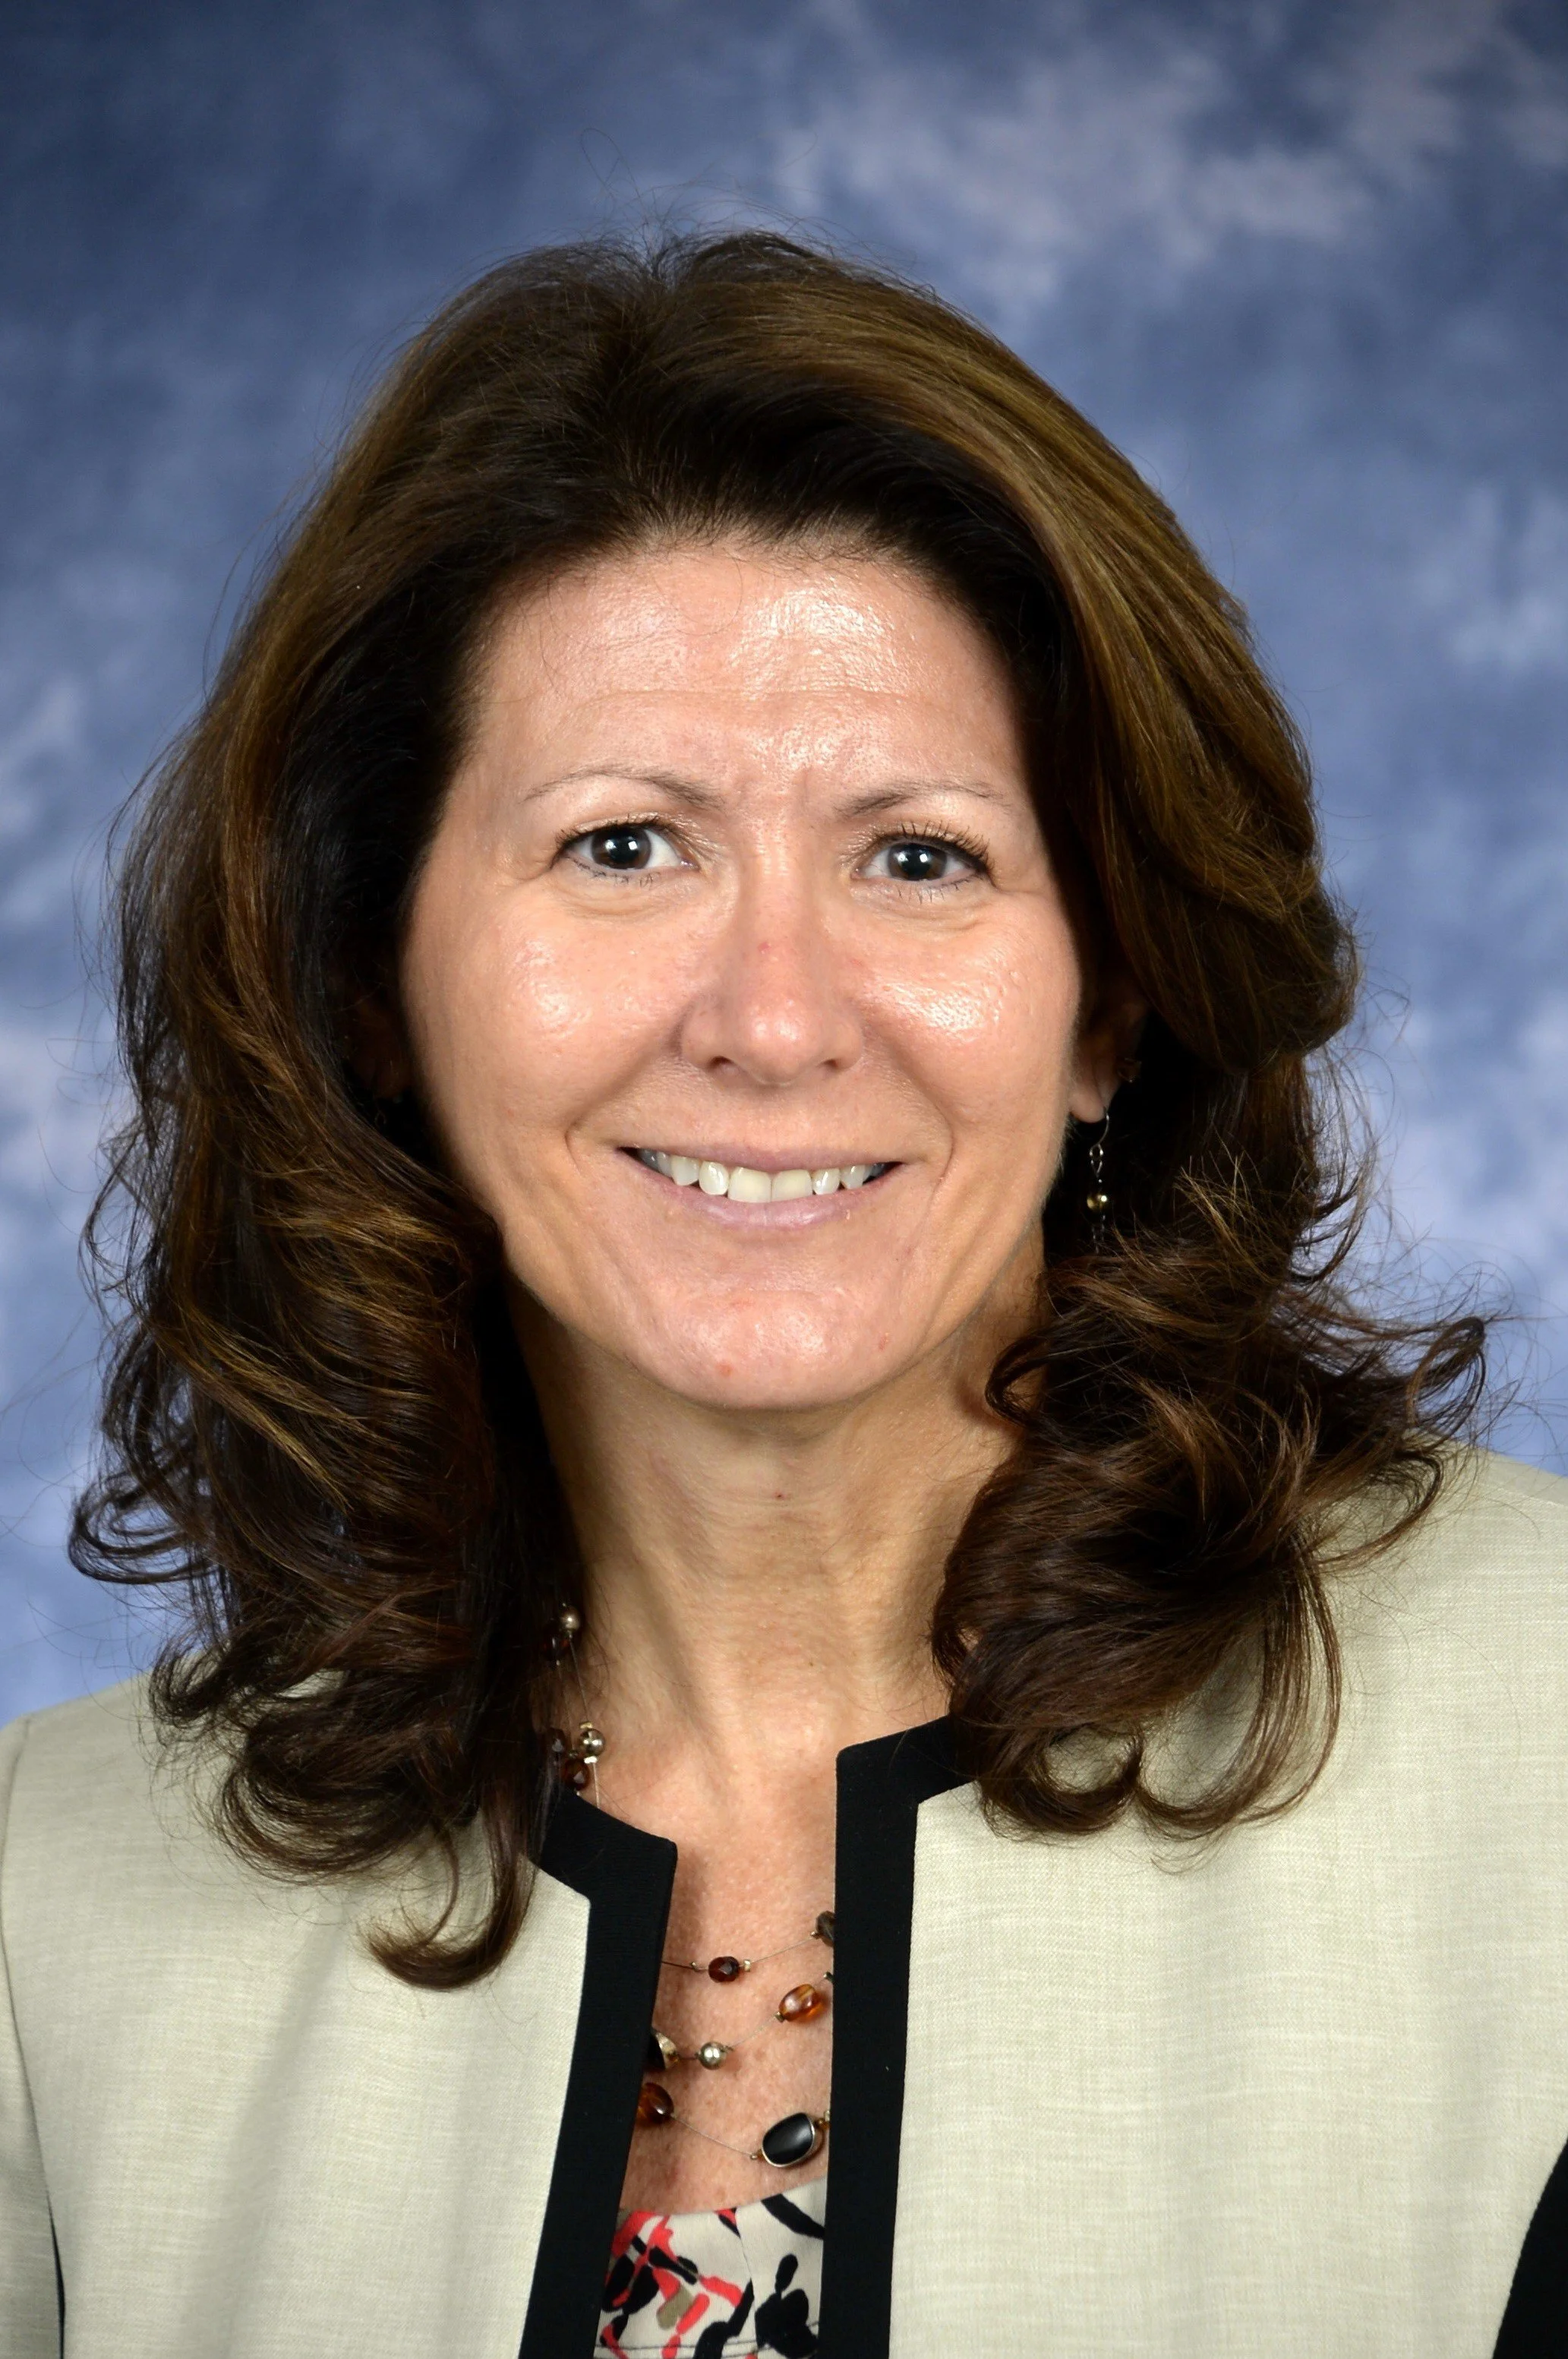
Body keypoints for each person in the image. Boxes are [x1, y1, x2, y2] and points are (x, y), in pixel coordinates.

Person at [1, 230, 1564, 2359]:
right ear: (370, 981)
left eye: (920, 855)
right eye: (625, 846)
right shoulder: (48, 1921)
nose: (774, 1017)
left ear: (1111, 997)